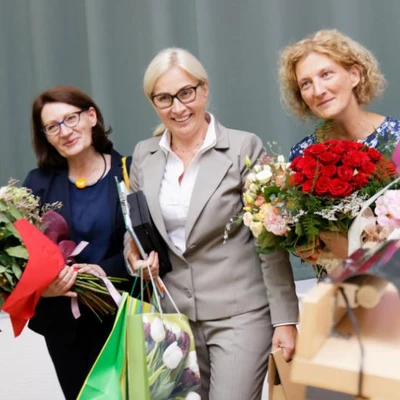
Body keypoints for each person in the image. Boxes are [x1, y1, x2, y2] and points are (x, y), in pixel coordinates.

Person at [125, 48, 298, 400]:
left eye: (186, 93)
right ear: (153, 102)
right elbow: (139, 231)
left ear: (204, 90)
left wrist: (285, 319)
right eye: (164, 98)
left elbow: (270, 241)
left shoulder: (243, 147)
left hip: (240, 315)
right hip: (173, 317)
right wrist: (135, 259)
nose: (178, 107)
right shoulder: (144, 155)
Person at [23, 85, 159, 400]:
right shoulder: (37, 184)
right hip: (66, 329)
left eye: (71, 118)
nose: (65, 131)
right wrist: (45, 286)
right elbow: (23, 258)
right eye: (53, 126)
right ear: (46, 136)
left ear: (92, 117)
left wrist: (97, 272)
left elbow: (144, 244)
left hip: (123, 318)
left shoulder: (129, 172)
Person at [278, 29, 400, 264]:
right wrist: (304, 244)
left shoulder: (396, 139)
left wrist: (354, 249)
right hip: (336, 291)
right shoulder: (302, 155)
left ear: (354, 75)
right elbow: (303, 235)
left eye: (326, 74)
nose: (318, 91)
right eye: (306, 83)